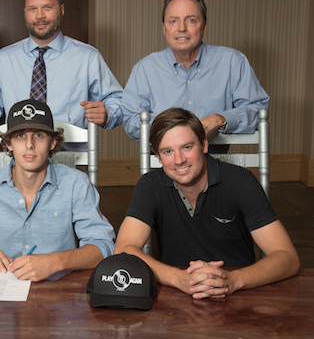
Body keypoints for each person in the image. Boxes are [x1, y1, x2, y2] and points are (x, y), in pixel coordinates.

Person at [114, 107, 299, 299]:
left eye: (187, 147)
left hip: (240, 292)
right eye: (168, 151)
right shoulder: (150, 185)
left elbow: (287, 257)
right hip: (176, 295)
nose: (179, 160)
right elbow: (123, 249)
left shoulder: (241, 181)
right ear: (158, 157)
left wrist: (233, 280)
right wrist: (179, 279)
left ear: (204, 145)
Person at [0, 99, 115, 281]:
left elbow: (103, 245)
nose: (29, 144)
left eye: (39, 135)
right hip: (5, 289)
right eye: (20, 136)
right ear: (9, 144)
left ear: (52, 143)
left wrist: (55, 262)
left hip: (61, 290)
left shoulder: (76, 184)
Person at [0, 0, 124, 131]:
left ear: (61, 10)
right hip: (20, 155)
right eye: (32, 8)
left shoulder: (88, 57)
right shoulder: (3, 59)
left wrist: (107, 114)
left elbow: (118, 101)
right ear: (25, 12)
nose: (40, 15)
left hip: (73, 156)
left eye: (47, 7)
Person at [122, 0, 270, 141]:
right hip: (164, 162)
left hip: (217, 161)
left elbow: (258, 110)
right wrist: (176, 129)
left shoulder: (233, 61)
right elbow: (131, 120)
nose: (182, 28)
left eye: (191, 20)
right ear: (164, 29)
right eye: (173, 21)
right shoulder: (145, 69)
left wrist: (220, 119)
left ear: (204, 26)